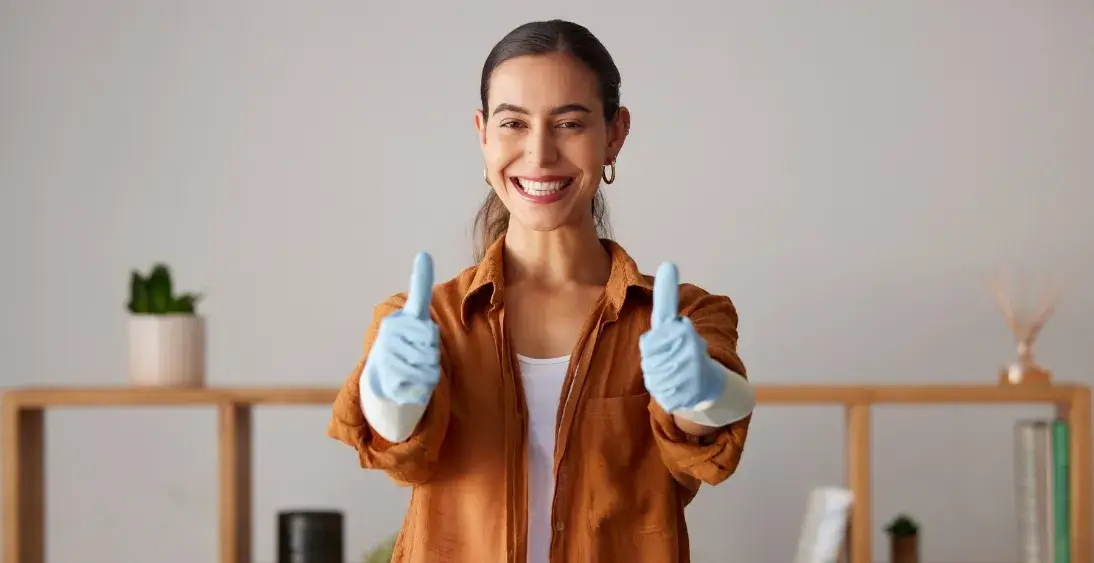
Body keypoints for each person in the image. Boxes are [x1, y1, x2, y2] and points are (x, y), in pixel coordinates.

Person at [328, 19, 756, 563]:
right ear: (482, 134)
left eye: (570, 123)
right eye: (513, 123)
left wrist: (703, 391)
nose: (539, 153)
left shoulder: (683, 316)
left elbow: (711, 431)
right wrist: (389, 399)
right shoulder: (422, 320)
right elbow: (396, 448)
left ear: (615, 134)